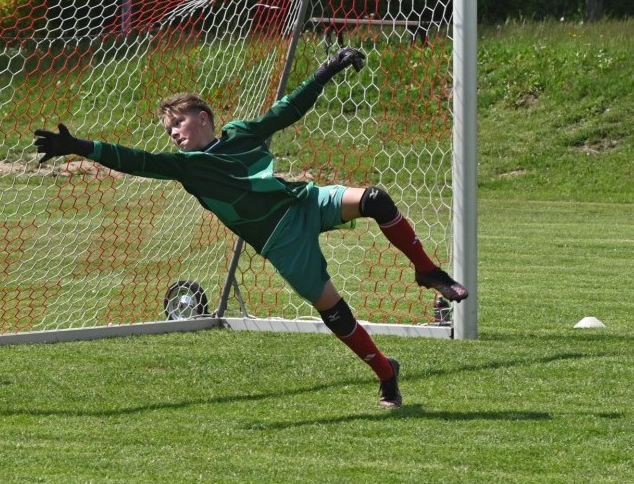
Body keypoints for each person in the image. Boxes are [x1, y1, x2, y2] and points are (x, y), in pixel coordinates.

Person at [33, 47, 467, 409]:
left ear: (203, 117)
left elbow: (285, 111)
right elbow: (136, 160)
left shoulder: (239, 134)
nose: (173, 134)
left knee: (375, 199)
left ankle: (427, 270)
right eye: (168, 131)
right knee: (334, 310)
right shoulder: (187, 169)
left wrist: (324, 71)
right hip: (282, 242)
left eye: (178, 123)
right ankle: (386, 372)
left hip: (301, 201)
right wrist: (78, 147)